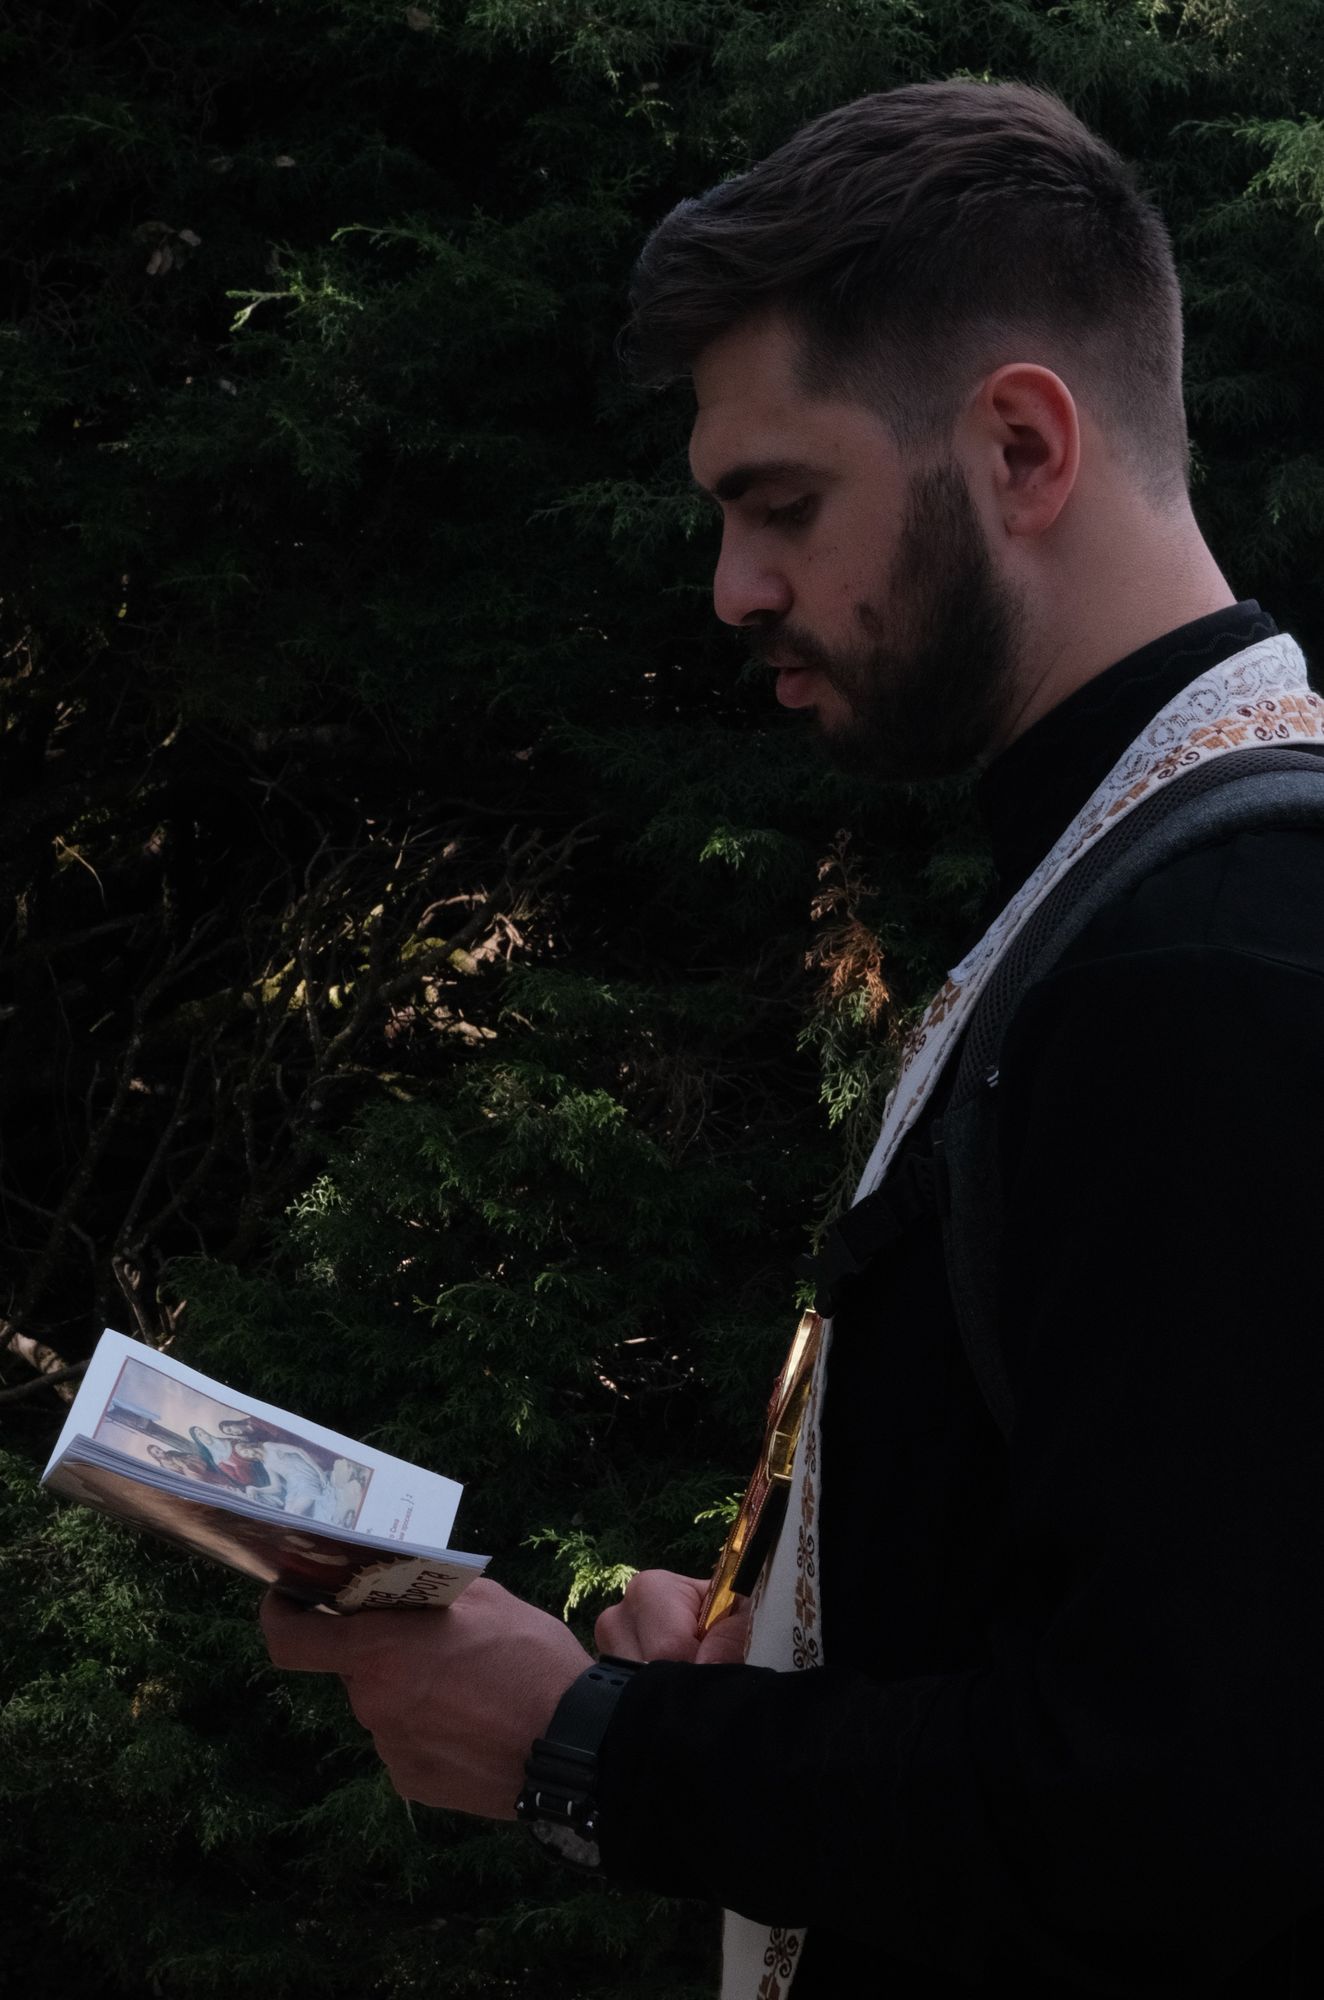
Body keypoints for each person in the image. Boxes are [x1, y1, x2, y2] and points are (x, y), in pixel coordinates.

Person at [261, 81, 1324, 1996]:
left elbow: (1195, 1806)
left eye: (783, 505)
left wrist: (593, 1751)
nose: (734, 588)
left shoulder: (1210, 959)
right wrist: (804, 1661)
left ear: (1020, 446)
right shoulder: (1136, 879)